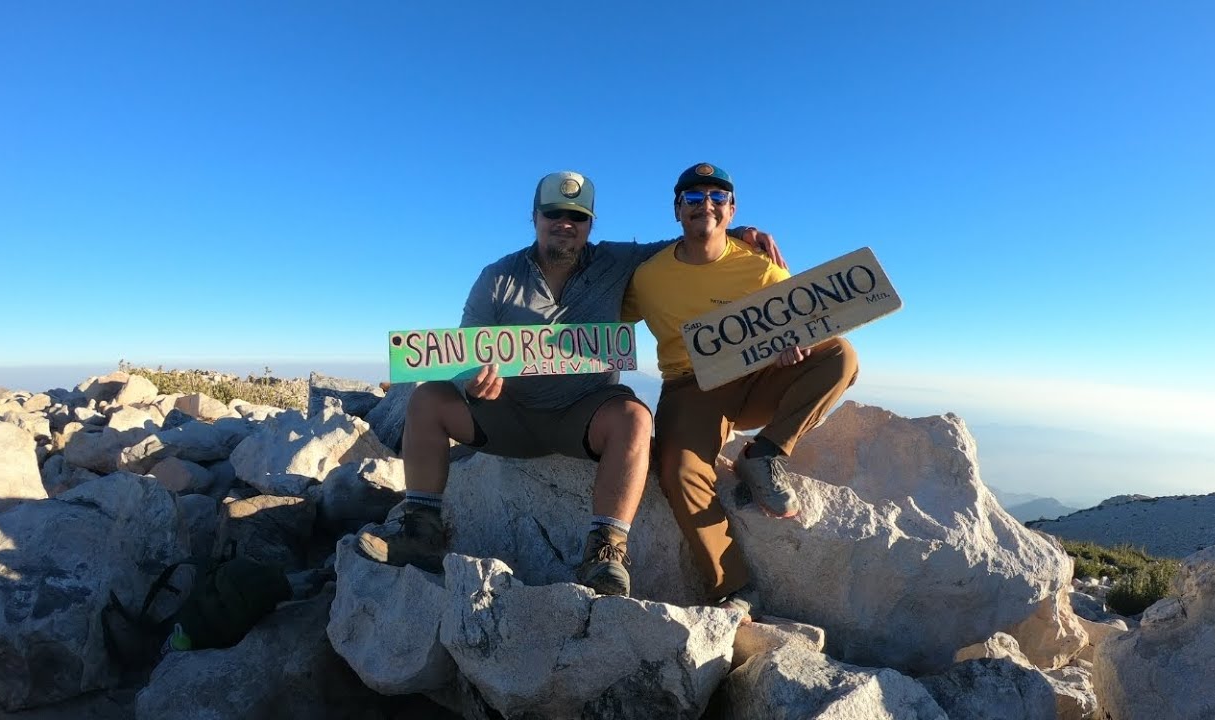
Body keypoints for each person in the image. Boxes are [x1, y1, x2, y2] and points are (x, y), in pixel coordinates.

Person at [357, 170, 783, 598]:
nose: (566, 223)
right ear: (535, 217)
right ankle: (422, 532)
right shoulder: (498, 276)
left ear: (591, 223)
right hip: (509, 414)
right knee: (428, 397)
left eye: (577, 216)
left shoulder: (617, 262)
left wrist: (739, 232)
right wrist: (474, 383)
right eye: (554, 213)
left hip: (584, 413)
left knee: (634, 416)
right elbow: (468, 347)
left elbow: (683, 247)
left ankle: (606, 553)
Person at [621, 162, 859, 619]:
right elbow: (604, 319)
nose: (703, 205)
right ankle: (733, 586)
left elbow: (801, 326)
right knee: (681, 472)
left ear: (731, 210)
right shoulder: (648, 277)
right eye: (692, 198)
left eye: (716, 198)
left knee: (841, 356)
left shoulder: (761, 268)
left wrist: (794, 348)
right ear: (677, 210)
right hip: (691, 387)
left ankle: (764, 452)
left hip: (756, 377)